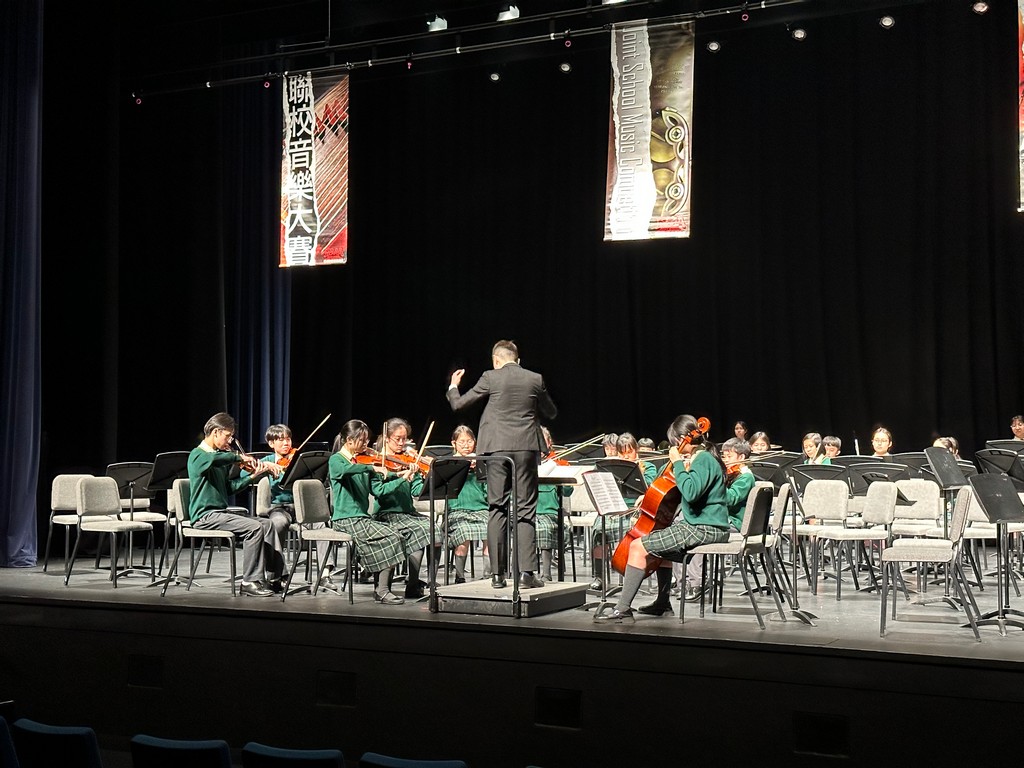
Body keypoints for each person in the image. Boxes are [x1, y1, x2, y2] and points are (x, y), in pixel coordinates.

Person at [595, 414, 731, 623]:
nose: (675, 446)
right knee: (663, 548)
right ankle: (663, 602)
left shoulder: (703, 458)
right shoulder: (701, 458)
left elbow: (691, 492)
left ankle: (622, 609)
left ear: (682, 438)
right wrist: (651, 494)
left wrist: (677, 463)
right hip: (704, 526)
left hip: (703, 528)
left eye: (674, 441)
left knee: (638, 546)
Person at [447, 339, 558, 590]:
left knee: (497, 507)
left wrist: (453, 386)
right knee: (525, 510)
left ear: (496, 360)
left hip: (495, 448)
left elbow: (458, 404)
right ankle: (527, 574)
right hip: (526, 448)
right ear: (518, 360)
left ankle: (497, 575)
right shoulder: (535, 378)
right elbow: (551, 412)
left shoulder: (490, 376)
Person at [186, 412, 285, 597]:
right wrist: (238, 457)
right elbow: (214, 460)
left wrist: (253, 476)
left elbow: (229, 488)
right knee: (254, 528)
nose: (230, 441)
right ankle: (249, 581)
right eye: (228, 436)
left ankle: (274, 578)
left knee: (267, 524)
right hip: (204, 516)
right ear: (216, 432)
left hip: (221, 513)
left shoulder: (220, 458)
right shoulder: (197, 455)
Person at [328, 419, 418, 605]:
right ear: (349, 440)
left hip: (361, 518)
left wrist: (401, 476)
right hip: (345, 519)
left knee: (396, 535)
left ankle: (381, 589)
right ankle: (382, 590)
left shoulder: (363, 461)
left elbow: (380, 490)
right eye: (362, 440)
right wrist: (372, 467)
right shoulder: (337, 460)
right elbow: (346, 470)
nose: (366, 444)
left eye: (367, 440)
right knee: (392, 536)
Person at [675, 437, 755, 608]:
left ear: (742, 457)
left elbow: (730, 498)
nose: (724, 460)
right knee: (680, 521)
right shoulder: (732, 473)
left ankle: (697, 582)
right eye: (723, 456)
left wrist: (716, 484)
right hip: (721, 517)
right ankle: (683, 582)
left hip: (734, 523)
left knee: (697, 531)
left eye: (729, 456)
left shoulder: (746, 477)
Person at [371, 417, 433, 599]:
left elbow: (416, 491)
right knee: (418, 530)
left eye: (404, 439)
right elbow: (380, 492)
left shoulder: (407, 459)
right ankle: (387, 586)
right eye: (397, 439)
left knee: (428, 529)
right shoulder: (379, 461)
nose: (401, 443)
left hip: (407, 513)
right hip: (386, 513)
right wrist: (401, 476)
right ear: (387, 438)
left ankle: (413, 584)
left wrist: (422, 476)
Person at [244, 423, 296, 590]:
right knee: (276, 524)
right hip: (280, 507)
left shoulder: (298, 458)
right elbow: (244, 473)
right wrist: (266, 467)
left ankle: (325, 574)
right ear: (271, 443)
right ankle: (276, 576)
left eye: (288, 439)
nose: (286, 443)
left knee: (322, 524)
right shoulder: (267, 461)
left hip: (303, 507)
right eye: (281, 440)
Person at [447, 425, 488, 584]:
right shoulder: (449, 463)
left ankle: (488, 575)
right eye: (462, 442)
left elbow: (488, 491)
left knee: (491, 530)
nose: (466, 445)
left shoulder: (480, 463)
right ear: (454, 443)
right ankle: (460, 576)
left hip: (481, 509)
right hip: (458, 510)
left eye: (470, 441)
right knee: (464, 532)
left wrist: (480, 469)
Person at [536, 427, 573, 582]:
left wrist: (562, 474)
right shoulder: (525, 463)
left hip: (550, 512)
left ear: (549, 443)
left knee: (545, 527)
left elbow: (567, 492)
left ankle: (546, 573)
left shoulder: (558, 463)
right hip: (529, 511)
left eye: (542, 441)